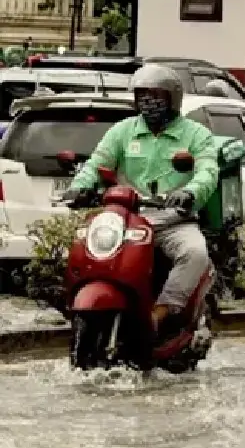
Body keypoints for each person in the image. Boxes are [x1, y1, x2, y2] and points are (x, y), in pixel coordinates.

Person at [64, 63, 220, 333]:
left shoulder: (196, 134)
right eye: (142, 96)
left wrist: (189, 192)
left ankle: (163, 309)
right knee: (83, 248)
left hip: (173, 220)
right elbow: (97, 163)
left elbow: (208, 171)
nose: (148, 102)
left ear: (172, 98)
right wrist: (79, 186)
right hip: (128, 220)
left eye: (156, 95)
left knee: (195, 254)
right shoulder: (122, 131)